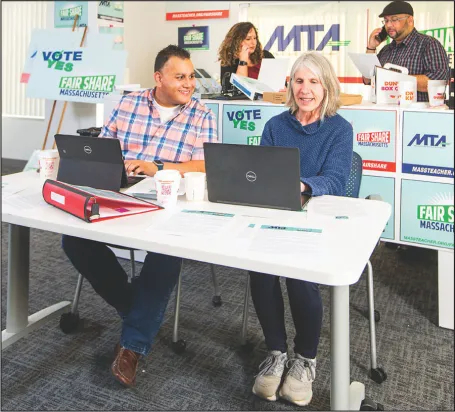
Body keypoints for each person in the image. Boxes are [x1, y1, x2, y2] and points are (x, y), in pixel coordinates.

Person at [61, 45, 217, 388]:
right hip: (120, 195)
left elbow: (205, 164)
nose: (189, 84)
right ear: (158, 78)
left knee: (167, 252)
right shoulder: (129, 103)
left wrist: (156, 167)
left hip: (168, 205)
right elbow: (103, 146)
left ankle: (133, 344)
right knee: (72, 238)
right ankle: (137, 307)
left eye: (191, 76)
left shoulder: (201, 114)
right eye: (180, 77)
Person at [249, 51, 353, 407]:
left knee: (299, 274)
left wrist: (303, 186)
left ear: (326, 86)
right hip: (278, 213)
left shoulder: (339, 128)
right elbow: (260, 172)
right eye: (298, 80)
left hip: (319, 219)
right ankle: (276, 353)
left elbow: (337, 180)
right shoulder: (276, 125)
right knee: (260, 269)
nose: (305, 89)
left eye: (313, 81)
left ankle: (305, 359)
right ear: (290, 85)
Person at [364, 0, 449, 102]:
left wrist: (393, 79)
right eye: (386, 21)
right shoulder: (386, 50)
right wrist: (371, 47)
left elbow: (436, 82)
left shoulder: (429, 44)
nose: (389, 25)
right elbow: (367, 80)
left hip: (416, 113)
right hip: (386, 112)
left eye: (394, 20)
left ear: (410, 20)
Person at [218, 22, 274, 90]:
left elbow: (280, 83)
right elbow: (235, 89)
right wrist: (243, 60)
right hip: (242, 100)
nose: (253, 42)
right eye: (248, 39)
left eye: (255, 38)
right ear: (236, 41)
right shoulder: (228, 61)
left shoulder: (266, 56)